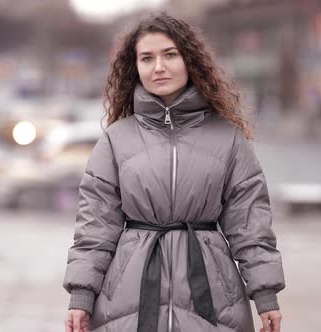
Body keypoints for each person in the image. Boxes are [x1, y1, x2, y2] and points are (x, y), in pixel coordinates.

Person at [63, 13, 285, 332]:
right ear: (135, 67)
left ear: (190, 60)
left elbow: (250, 221)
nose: (159, 67)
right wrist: (81, 296)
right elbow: (95, 225)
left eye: (170, 54)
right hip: (128, 295)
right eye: (147, 58)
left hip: (212, 295)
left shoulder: (228, 138)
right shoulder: (116, 139)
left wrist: (265, 296)